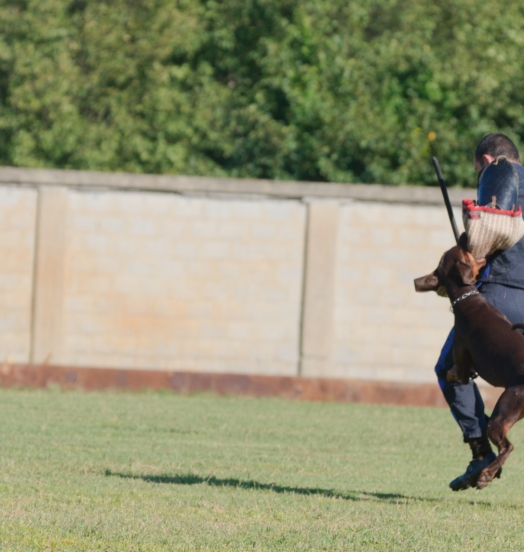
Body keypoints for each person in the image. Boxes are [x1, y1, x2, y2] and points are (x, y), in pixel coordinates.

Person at [435, 133, 524, 491]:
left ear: (487, 160)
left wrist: (470, 250)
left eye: (477, 171)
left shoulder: (500, 174)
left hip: (501, 295)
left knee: (451, 370)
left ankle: (479, 452)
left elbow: (487, 236)